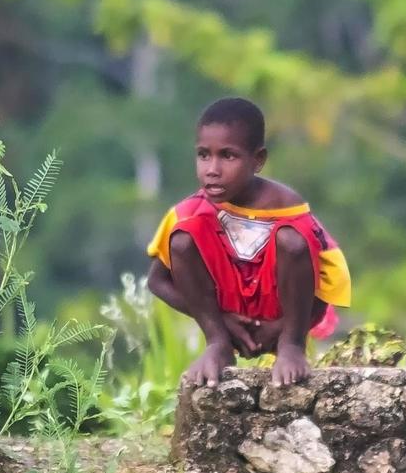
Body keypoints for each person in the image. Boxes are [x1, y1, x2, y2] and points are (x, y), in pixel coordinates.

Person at [146, 97, 351, 388]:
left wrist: (287, 333)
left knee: (292, 240)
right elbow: (158, 281)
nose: (212, 169)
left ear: (258, 160)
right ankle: (216, 346)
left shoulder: (288, 209)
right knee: (180, 240)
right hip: (224, 314)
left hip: (285, 313)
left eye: (228, 156)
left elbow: (326, 285)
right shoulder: (190, 213)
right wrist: (220, 323)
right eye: (204, 155)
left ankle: (291, 349)